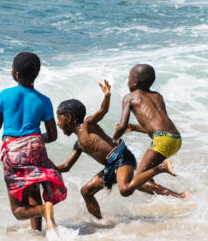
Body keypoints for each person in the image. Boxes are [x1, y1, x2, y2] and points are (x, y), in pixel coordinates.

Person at [56, 80, 185, 220]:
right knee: (86, 191)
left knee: (125, 189)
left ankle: (161, 167)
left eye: (59, 119)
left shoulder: (88, 125)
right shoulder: (79, 144)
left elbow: (103, 111)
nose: (58, 124)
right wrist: (42, 167)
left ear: (69, 118)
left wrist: (107, 95)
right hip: (111, 165)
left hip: (121, 157)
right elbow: (66, 166)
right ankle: (101, 223)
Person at [0, 52, 67, 232]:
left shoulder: (5, 95)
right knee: (33, 191)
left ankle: (43, 210)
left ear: (15, 74)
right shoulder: (45, 100)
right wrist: (34, 140)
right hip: (36, 146)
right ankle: (38, 232)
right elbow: (53, 135)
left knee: (18, 211)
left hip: (13, 150)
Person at [111, 64, 183, 188]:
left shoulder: (129, 98)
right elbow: (159, 127)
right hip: (175, 138)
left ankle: (180, 197)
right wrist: (134, 127)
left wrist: (112, 142)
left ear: (135, 82)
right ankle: (159, 201)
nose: (127, 82)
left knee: (138, 181)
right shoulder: (158, 96)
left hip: (162, 140)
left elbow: (121, 127)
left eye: (128, 79)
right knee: (145, 176)